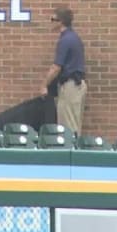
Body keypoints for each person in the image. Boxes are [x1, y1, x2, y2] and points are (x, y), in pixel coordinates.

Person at [40, 7, 87, 136]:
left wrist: (44, 85)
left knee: (67, 127)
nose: (51, 22)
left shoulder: (66, 40)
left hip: (70, 85)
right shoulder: (73, 37)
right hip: (75, 85)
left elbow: (56, 67)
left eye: (53, 19)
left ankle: (70, 154)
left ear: (60, 22)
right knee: (73, 124)